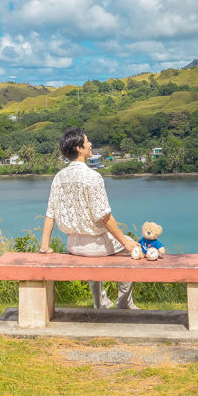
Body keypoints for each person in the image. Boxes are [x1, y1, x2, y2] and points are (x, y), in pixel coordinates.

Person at [39, 126, 139, 310]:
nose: (90, 144)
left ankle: (99, 303)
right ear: (79, 148)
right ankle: (124, 303)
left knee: (98, 254)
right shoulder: (92, 177)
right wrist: (125, 242)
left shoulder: (59, 177)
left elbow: (50, 213)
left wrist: (44, 246)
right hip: (96, 245)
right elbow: (104, 216)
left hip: (73, 246)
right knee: (132, 248)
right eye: (87, 141)